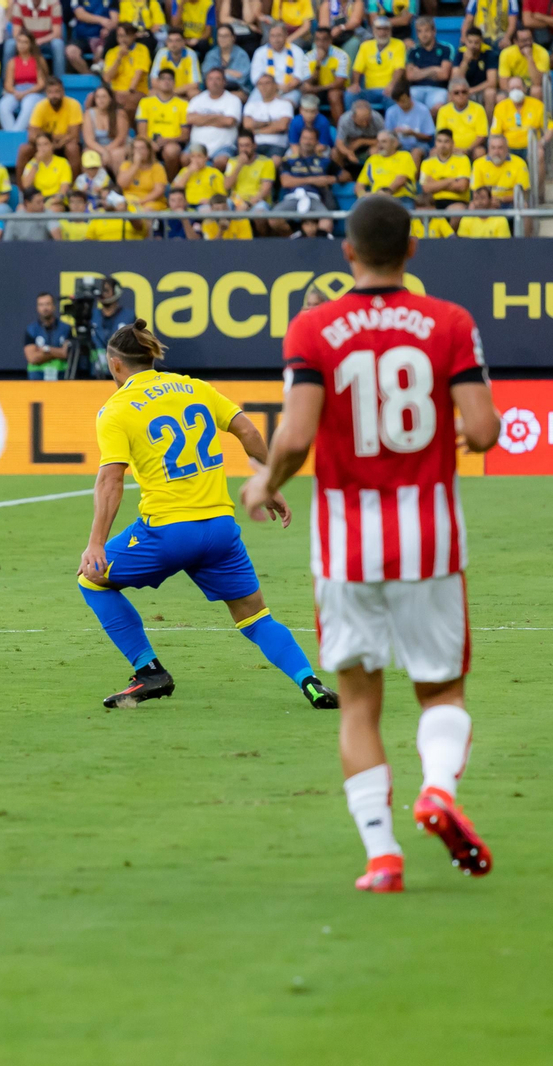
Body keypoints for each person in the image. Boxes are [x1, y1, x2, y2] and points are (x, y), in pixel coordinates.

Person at [240, 193, 500, 894]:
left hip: (346, 542)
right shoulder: (449, 322)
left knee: (359, 704)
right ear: (412, 251)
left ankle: (382, 857)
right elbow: (484, 429)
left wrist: (266, 483)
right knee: (441, 690)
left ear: (347, 252)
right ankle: (439, 790)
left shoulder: (315, 327)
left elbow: (295, 436)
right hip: (431, 538)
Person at [76, 319, 335, 711]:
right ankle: (311, 683)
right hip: (220, 530)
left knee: (91, 580)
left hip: (167, 533)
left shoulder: (116, 409)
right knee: (256, 617)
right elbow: (247, 431)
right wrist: (268, 483)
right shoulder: (193, 387)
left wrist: (96, 542)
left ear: (115, 364)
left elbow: (110, 481)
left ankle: (149, 671)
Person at [185, 66, 241, 164]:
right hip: (197, 145)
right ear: (206, 82)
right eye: (210, 79)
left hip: (223, 146)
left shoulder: (233, 100)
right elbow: (190, 119)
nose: (214, 82)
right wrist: (218, 118)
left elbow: (229, 121)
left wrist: (202, 119)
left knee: (221, 161)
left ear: (224, 82)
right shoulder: (198, 99)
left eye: (218, 79)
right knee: (184, 158)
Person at [350, 16, 405, 112]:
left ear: (390, 30)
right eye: (379, 29)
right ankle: (350, 125)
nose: (382, 33)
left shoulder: (398, 44)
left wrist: (392, 85)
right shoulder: (365, 46)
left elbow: (399, 69)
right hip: (369, 91)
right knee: (350, 94)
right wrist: (355, 83)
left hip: (388, 89)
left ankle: (390, 126)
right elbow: (357, 69)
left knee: (393, 96)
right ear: (373, 30)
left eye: (385, 29)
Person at [404, 16, 454, 114]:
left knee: (437, 108)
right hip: (416, 89)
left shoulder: (446, 48)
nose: (423, 35)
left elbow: (444, 75)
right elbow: (410, 76)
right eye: (419, 31)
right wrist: (434, 69)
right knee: (407, 104)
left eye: (426, 31)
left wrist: (419, 72)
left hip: (438, 89)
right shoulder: (412, 51)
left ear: (434, 31)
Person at [470, 131, 530, 203]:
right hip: (486, 204)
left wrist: (501, 199)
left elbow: (523, 193)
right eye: (493, 148)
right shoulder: (478, 164)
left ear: (507, 149)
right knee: (472, 206)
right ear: (488, 149)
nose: (496, 152)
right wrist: (491, 201)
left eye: (500, 148)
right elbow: (476, 192)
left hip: (512, 203)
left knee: (524, 205)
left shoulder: (519, 163)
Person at [23, 291, 70, 380]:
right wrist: (57, 352)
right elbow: (32, 358)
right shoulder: (31, 330)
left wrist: (46, 350)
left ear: (54, 306)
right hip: (37, 378)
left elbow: (65, 354)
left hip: (61, 378)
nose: (45, 308)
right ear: (37, 308)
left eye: (48, 304)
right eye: (41, 305)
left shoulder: (65, 328)